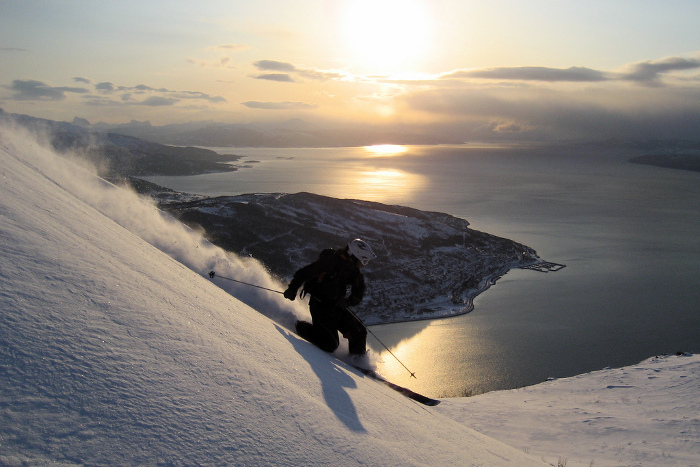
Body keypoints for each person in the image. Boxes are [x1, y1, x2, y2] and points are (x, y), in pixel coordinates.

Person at [284, 239, 376, 356]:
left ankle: (357, 363)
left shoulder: (353, 271)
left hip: (336, 306)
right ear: (355, 255)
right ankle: (297, 325)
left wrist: (348, 302)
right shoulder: (330, 262)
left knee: (359, 331)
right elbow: (304, 272)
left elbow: (359, 290)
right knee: (330, 344)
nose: (363, 264)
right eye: (364, 260)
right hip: (320, 306)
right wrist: (292, 289)